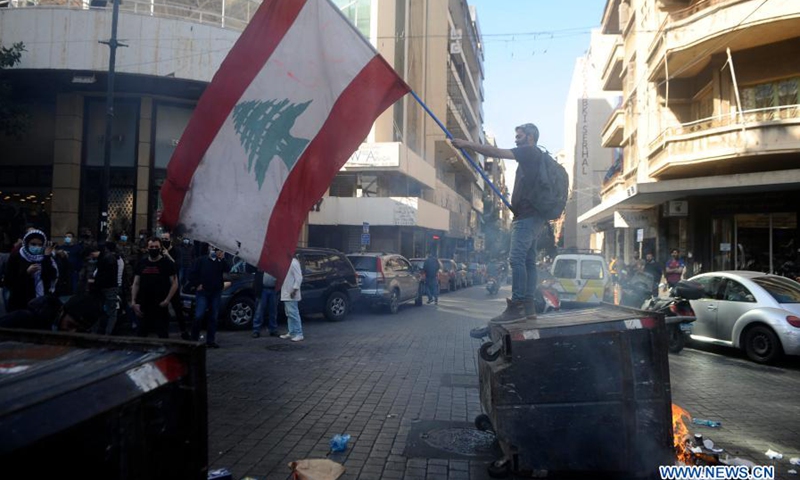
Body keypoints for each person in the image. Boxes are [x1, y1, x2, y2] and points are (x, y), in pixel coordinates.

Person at [452, 123, 547, 322]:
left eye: (519, 136)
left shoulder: (529, 152)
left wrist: (465, 144)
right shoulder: (536, 157)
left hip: (526, 217)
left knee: (517, 259)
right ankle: (528, 307)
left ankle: (518, 305)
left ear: (530, 137)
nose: (516, 139)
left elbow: (494, 152)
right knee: (529, 261)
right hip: (534, 216)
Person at [131, 237, 178, 339]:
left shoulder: (167, 264)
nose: (154, 249)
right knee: (140, 337)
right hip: (143, 305)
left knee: (163, 337)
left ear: (160, 248)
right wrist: (133, 302)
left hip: (160, 306)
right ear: (147, 248)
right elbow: (136, 283)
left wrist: (167, 300)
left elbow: (174, 283)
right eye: (151, 247)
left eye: (156, 247)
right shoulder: (141, 263)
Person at [4, 229, 59, 312]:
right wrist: (26, 273)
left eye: (40, 245)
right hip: (21, 303)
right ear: (26, 243)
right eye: (33, 244)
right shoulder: (17, 257)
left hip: (41, 303)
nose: (37, 247)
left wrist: (46, 257)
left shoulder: (46, 258)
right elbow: (9, 281)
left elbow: (52, 277)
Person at [189, 244, 230, 348]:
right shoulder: (201, 260)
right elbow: (191, 274)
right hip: (203, 292)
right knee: (199, 315)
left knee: (213, 317)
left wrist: (222, 259)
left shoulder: (220, 262)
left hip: (215, 292)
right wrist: (197, 284)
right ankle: (194, 339)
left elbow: (227, 269)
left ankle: (210, 341)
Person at [160, 231, 190, 339]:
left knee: (177, 309)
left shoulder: (176, 251)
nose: (164, 241)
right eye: (162, 239)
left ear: (170, 240)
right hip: (162, 284)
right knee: (163, 310)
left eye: (166, 239)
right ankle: (164, 333)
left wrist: (168, 256)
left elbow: (177, 265)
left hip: (173, 284)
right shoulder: (160, 250)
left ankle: (183, 331)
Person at [93, 241, 120, 335]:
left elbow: (104, 275)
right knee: (110, 311)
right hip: (110, 287)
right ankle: (106, 331)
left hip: (108, 287)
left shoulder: (107, 259)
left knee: (110, 311)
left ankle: (105, 332)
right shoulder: (111, 258)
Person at [279, 253, 304, 342]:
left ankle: (299, 333)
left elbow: (299, 278)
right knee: (289, 314)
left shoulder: (294, 263)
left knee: (293, 313)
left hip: (291, 293)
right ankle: (292, 332)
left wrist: (295, 290)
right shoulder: (287, 263)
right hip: (286, 292)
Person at [252, 269, 279, 338]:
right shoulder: (261, 264)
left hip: (274, 289)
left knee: (273, 311)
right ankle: (256, 330)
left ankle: (273, 329)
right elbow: (249, 269)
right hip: (262, 289)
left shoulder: (276, 264)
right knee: (259, 311)